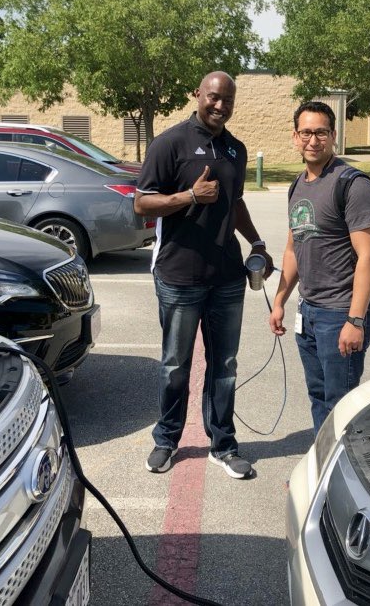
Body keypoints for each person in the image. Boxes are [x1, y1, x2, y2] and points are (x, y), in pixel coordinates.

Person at [134, 71, 272, 479]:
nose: (220, 106)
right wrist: (189, 196)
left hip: (227, 277)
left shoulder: (236, 149)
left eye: (227, 100)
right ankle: (166, 439)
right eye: (213, 97)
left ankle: (223, 445)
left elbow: (236, 203)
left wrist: (257, 241)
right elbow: (142, 205)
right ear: (197, 95)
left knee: (224, 365)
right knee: (175, 365)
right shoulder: (169, 143)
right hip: (179, 276)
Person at [268, 101, 370, 434]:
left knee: (340, 403)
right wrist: (280, 301)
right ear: (295, 136)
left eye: (320, 132)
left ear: (333, 136)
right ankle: (321, 468)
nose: (312, 140)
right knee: (319, 397)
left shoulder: (353, 184)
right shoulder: (297, 185)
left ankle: (339, 479)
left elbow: (368, 257)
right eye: (306, 132)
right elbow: (293, 248)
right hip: (310, 311)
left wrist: (355, 320)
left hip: (341, 313)